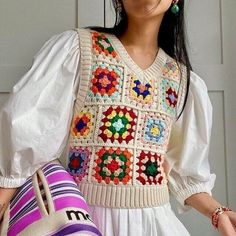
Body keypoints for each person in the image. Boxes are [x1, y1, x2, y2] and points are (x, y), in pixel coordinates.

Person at [0, 0, 236, 235]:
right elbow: (29, 134)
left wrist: (219, 213)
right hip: (82, 220)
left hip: (154, 223)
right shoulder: (79, 49)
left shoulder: (183, 81)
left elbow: (187, 174)